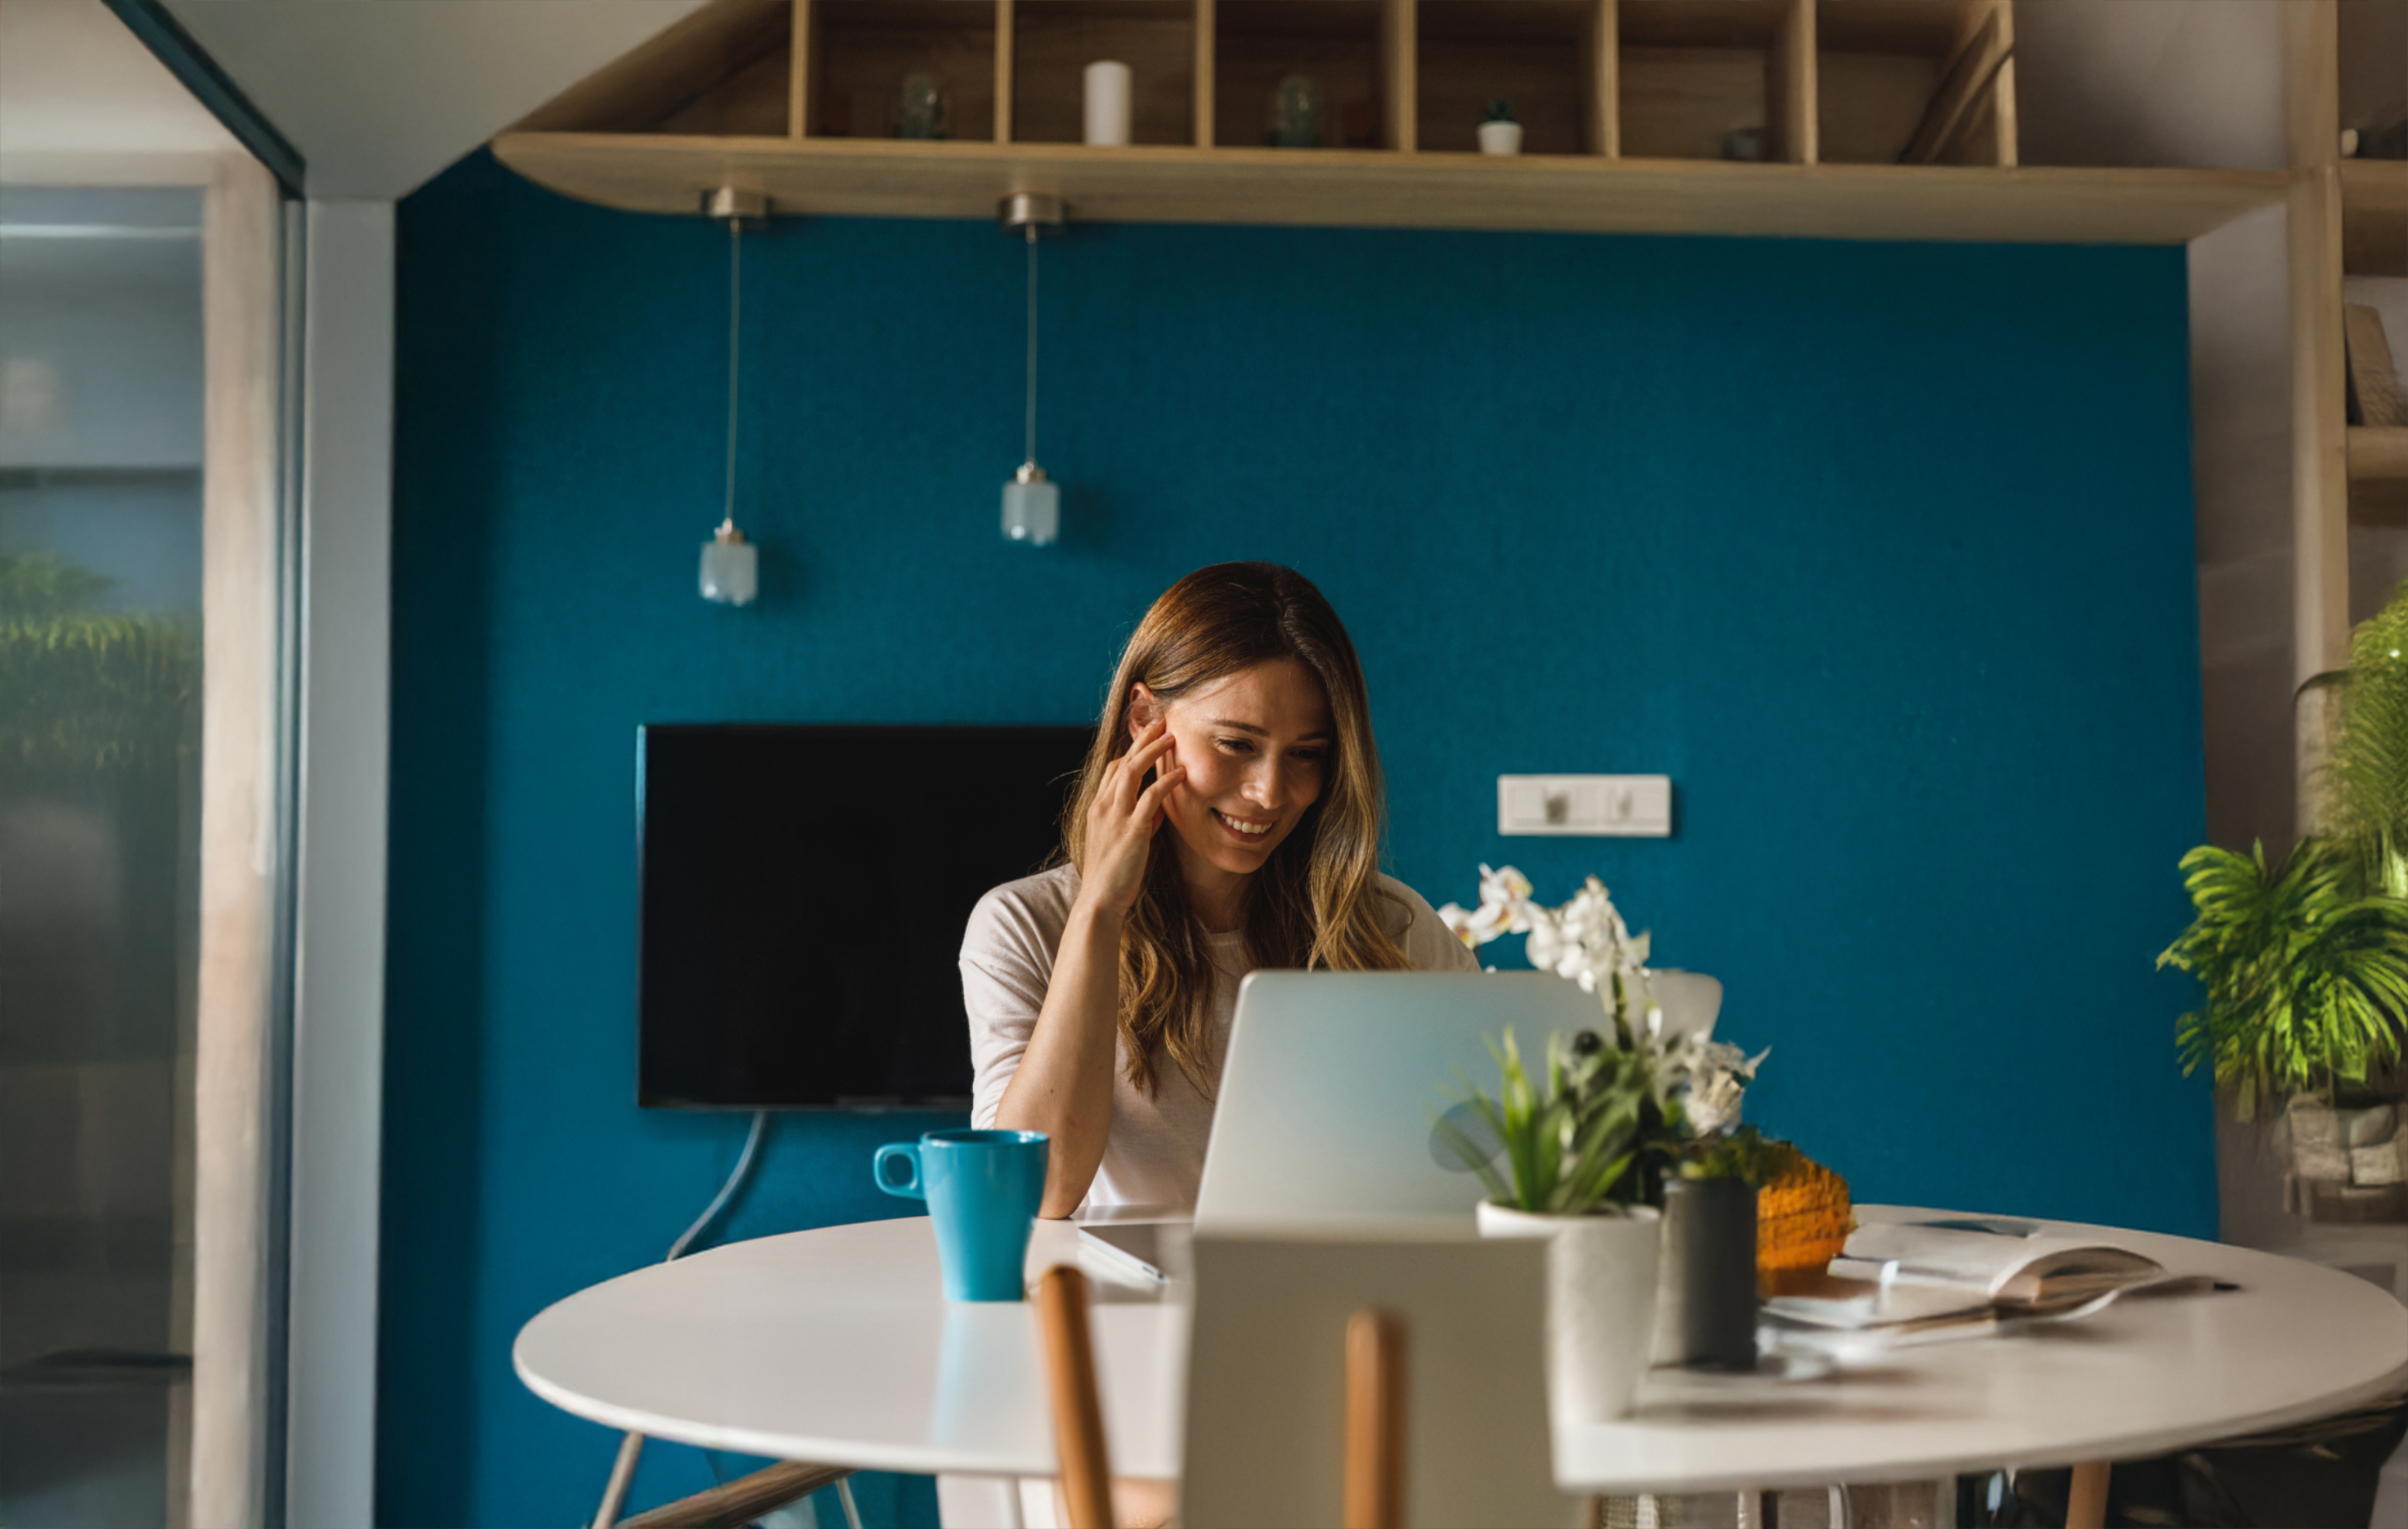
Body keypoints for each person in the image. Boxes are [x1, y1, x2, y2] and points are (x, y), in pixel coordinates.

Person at [960, 561, 1475, 1217]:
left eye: (1306, 753)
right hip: (1118, 1312)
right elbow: (1035, 1192)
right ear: (1144, 718)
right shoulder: (1024, 924)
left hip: (1329, 1306)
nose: (1269, 792)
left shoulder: (1388, 926)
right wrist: (1100, 910)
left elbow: (1481, 1163)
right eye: (1236, 743)